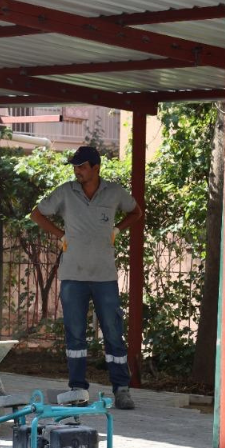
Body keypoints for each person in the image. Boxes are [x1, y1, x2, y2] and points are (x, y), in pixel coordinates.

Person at [30, 146, 143, 410]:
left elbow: (136, 212)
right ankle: (77, 389)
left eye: (81, 166)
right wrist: (60, 235)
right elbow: (37, 213)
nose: (77, 171)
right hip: (73, 275)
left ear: (96, 168)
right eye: (75, 166)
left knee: (113, 332)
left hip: (105, 276)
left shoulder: (114, 192)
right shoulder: (65, 192)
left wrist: (117, 229)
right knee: (75, 335)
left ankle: (122, 389)